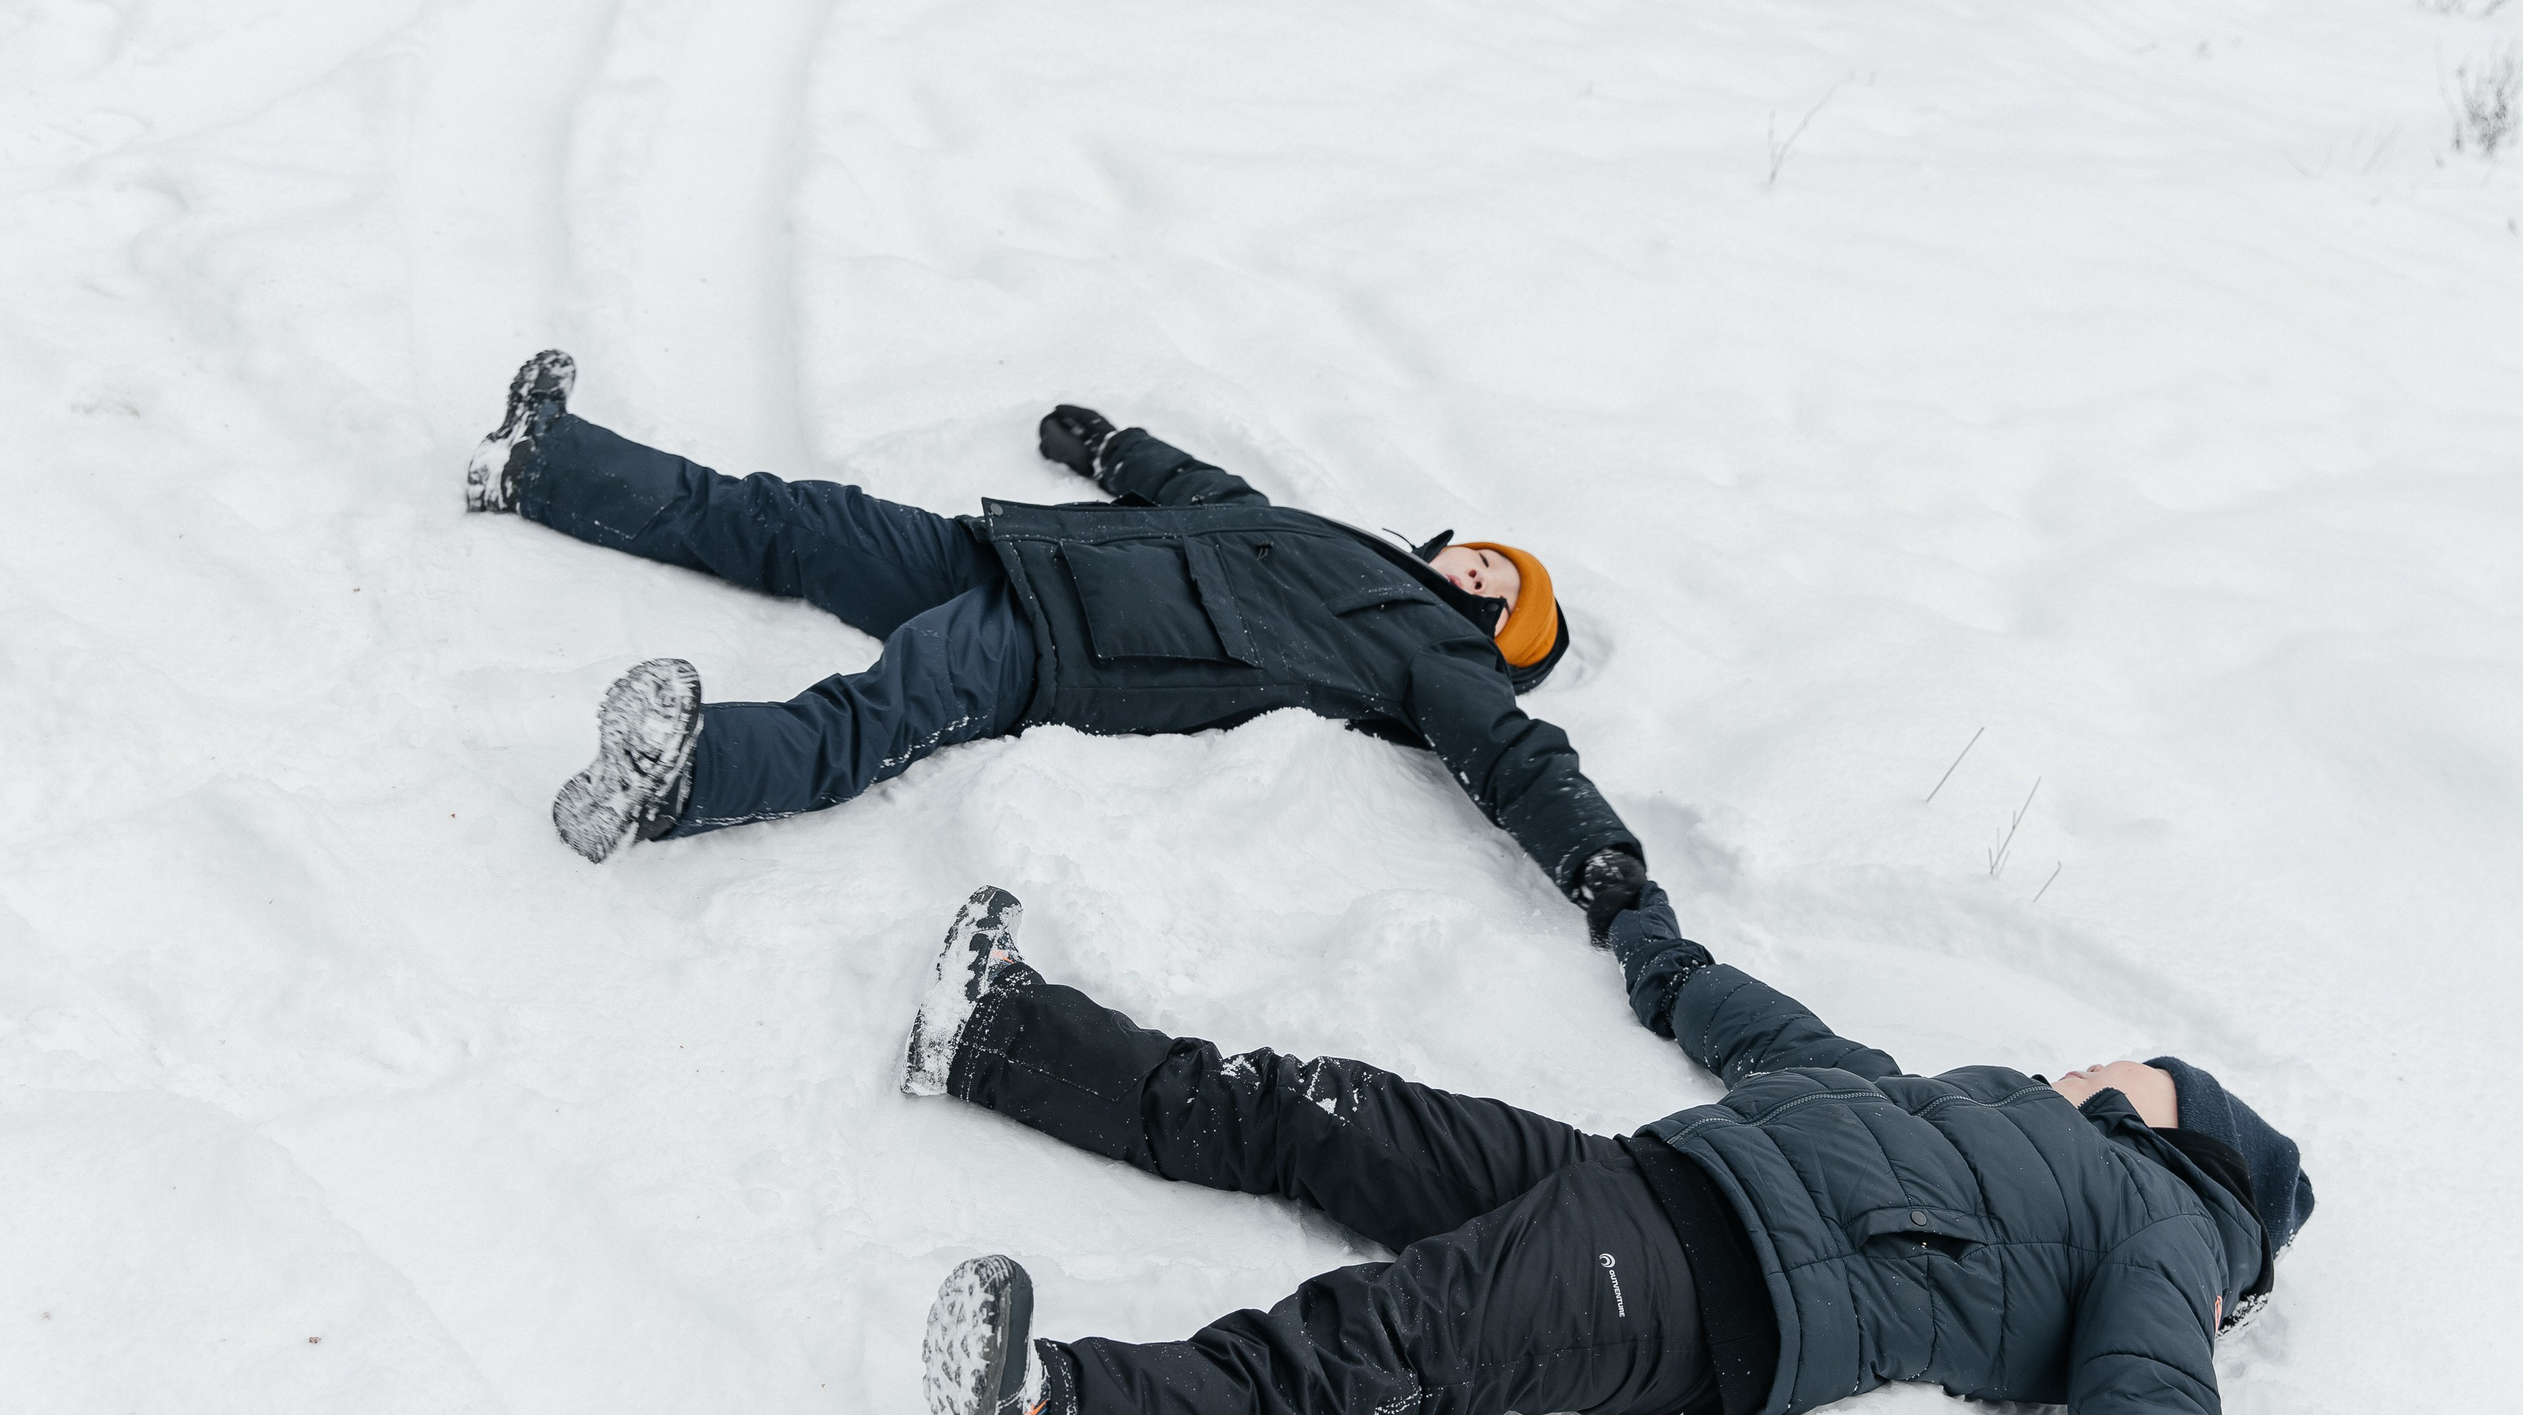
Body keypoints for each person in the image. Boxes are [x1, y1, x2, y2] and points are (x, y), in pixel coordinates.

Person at [898, 886, 2311, 1415]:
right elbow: (1802, 1048)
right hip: (1643, 1174)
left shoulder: (2163, 1230)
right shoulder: (1980, 1107)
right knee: (1327, 1110)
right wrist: (1671, 962)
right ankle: (1003, 1035)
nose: (2087, 1062)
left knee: (1397, 1331)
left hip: (1716, 1285)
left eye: (2121, 1068)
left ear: (2171, 1123)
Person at [463, 352, 1646, 936]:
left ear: (1496, 631)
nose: (1476, 570)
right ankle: (542, 462)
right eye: (1486, 557)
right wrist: (1115, 448)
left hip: (1076, 647)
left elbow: (1517, 757)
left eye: (1497, 589)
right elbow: (1220, 501)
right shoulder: (1351, 547)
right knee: (801, 518)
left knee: (882, 707)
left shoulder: (1438, 657)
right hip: (1028, 557)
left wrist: (1595, 853)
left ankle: (680, 776)